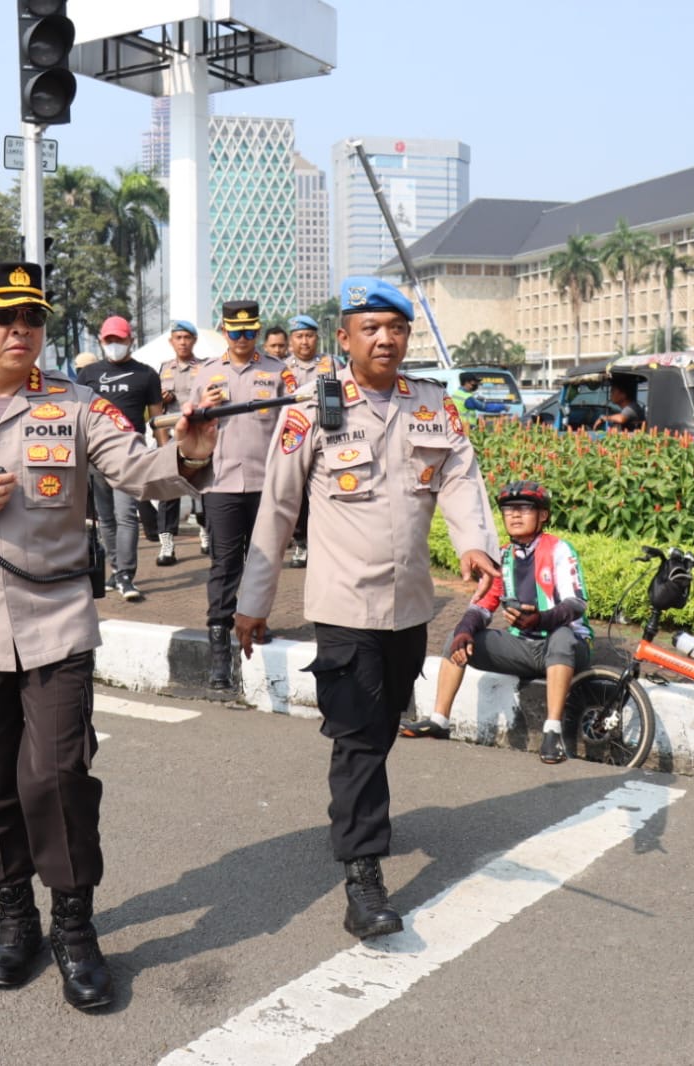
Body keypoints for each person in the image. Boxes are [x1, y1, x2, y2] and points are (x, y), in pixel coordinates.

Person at [0, 261, 217, 1011]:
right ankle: (15, 916)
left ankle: (74, 925)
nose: (24, 331)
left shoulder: (77, 404)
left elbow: (142, 471)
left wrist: (189, 449)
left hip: (55, 625)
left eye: (35, 320)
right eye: (8, 318)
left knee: (56, 777)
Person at [234, 276, 501, 939]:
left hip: (410, 605)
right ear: (345, 338)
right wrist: (252, 603)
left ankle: (357, 820)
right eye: (370, 328)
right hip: (342, 604)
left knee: (380, 729)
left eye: (396, 328)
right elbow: (277, 509)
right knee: (357, 740)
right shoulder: (310, 411)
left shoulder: (434, 406)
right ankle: (362, 877)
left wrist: (473, 545)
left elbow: (460, 477)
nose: (385, 339)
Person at [399, 481, 591, 765]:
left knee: (562, 635)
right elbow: (482, 606)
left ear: (543, 515)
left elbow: (577, 604)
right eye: (508, 509)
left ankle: (552, 731)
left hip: (567, 649)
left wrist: (540, 618)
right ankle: (439, 720)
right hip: (524, 647)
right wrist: (465, 629)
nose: (514, 515)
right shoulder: (502, 556)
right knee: (460, 636)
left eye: (525, 508)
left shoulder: (559, 550)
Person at [190, 299, 293, 689]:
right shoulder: (206, 373)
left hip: (267, 483)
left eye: (251, 331)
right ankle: (220, 653)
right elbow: (190, 424)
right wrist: (202, 407)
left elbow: (293, 429)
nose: (244, 339)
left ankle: (257, 622)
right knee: (225, 565)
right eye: (236, 332)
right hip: (222, 483)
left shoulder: (277, 371)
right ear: (224, 330)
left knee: (263, 561)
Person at [77, 316, 165, 602]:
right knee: (105, 518)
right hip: (95, 455)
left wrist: (163, 456)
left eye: (120, 340)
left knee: (126, 514)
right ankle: (115, 568)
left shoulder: (147, 374)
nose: (114, 345)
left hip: (130, 455)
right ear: (102, 341)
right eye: (109, 340)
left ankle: (126, 573)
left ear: (131, 340)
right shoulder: (88, 374)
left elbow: (158, 420)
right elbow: (78, 416)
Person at [282, 315, 339, 568]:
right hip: (293, 439)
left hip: (328, 437)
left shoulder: (332, 364)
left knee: (329, 492)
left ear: (317, 338)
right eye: (299, 336)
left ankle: (328, 543)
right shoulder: (281, 368)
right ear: (291, 340)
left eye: (309, 335)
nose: (304, 341)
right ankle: (301, 543)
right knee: (296, 495)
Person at [154, 320, 208, 565]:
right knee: (169, 492)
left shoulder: (205, 368)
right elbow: (156, 412)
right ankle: (167, 544)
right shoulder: (163, 369)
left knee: (204, 488)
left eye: (187, 337)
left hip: (197, 439)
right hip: (172, 440)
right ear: (171, 342)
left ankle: (206, 532)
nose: (183, 342)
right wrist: (163, 443)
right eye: (178, 337)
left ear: (194, 341)